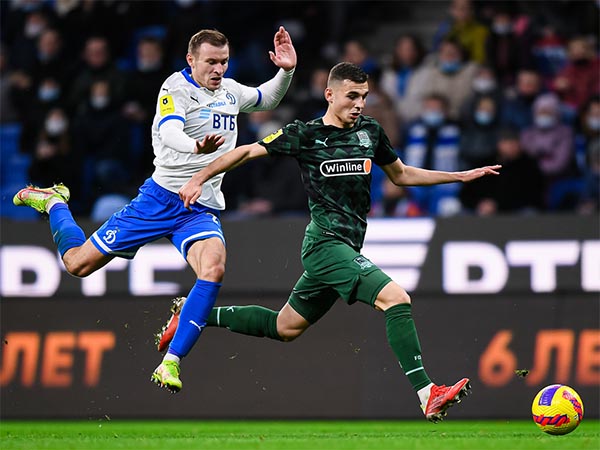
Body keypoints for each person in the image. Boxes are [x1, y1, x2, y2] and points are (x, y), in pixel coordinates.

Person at [155, 63, 501, 421]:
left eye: (364, 96)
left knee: (284, 327)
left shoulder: (370, 131)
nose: (359, 104)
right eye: (352, 96)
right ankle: (427, 392)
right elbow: (244, 152)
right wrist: (199, 178)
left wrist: (458, 176)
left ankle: (192, 315)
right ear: (330, 94)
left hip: (347, 247)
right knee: (396, 298)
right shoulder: (305, 135)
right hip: (324, 246)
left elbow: (401, 175)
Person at [13, 26, 297, 393]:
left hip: (199, 208)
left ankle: (171, 362)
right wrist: (195, 146)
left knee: (214, 268)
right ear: (191, 60)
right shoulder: (175, 88)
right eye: (211, 61)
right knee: (77, 264)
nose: (218, 69)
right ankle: (54, 201)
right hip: (159, 200)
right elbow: (169, 131)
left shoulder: (230, 91)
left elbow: (266, 98)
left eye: (224, 62)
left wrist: (286, 70)